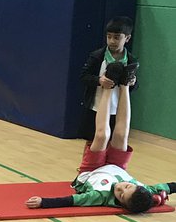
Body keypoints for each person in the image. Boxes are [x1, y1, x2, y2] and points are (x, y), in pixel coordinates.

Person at [26, 81, 175, 212]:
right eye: (127, 187)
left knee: (102, 135)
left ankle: (107, 88)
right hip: (117, 166)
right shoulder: (146, 191)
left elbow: (71, 201)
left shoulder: (100, 196)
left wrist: (43, 202)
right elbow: (170, 186)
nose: (120, 188)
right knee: (122, 135)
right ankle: (124, 85)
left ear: (120, 203)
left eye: (121, 195)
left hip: (91, 170)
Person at [77, 16, 138, 142]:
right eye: (109, 36)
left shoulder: (131, 61)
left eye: (117, 37)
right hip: (95, 107)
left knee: (113, 141)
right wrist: (99, 80)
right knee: (93, 141)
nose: (111, 41)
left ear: (127, 38)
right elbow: (83, 76)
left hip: (117, 111)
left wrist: (132, 83)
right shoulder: (97, 56)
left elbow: (134, 86)